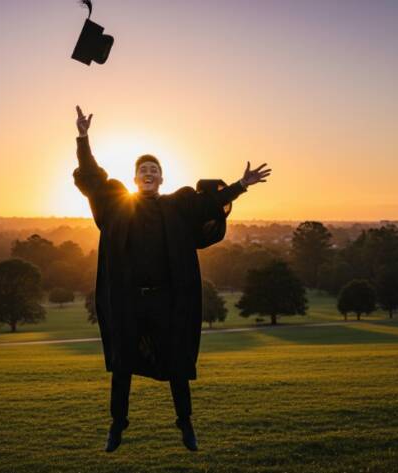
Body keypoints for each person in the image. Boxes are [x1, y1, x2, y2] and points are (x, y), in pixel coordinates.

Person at [72, 105, 270, 452]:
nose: (148, 173)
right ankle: (117, 425)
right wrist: (84, 138)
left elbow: (210, 205)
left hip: (166, 300)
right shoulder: (116, 204)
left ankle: (186, 424)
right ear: (136, 179)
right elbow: (91, 179)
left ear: (161, 178)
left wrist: (240, 185)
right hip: (128, 299)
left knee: (177, 362)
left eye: (154, 170)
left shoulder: (177, 206)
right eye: (143, 170)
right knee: (123, 364)